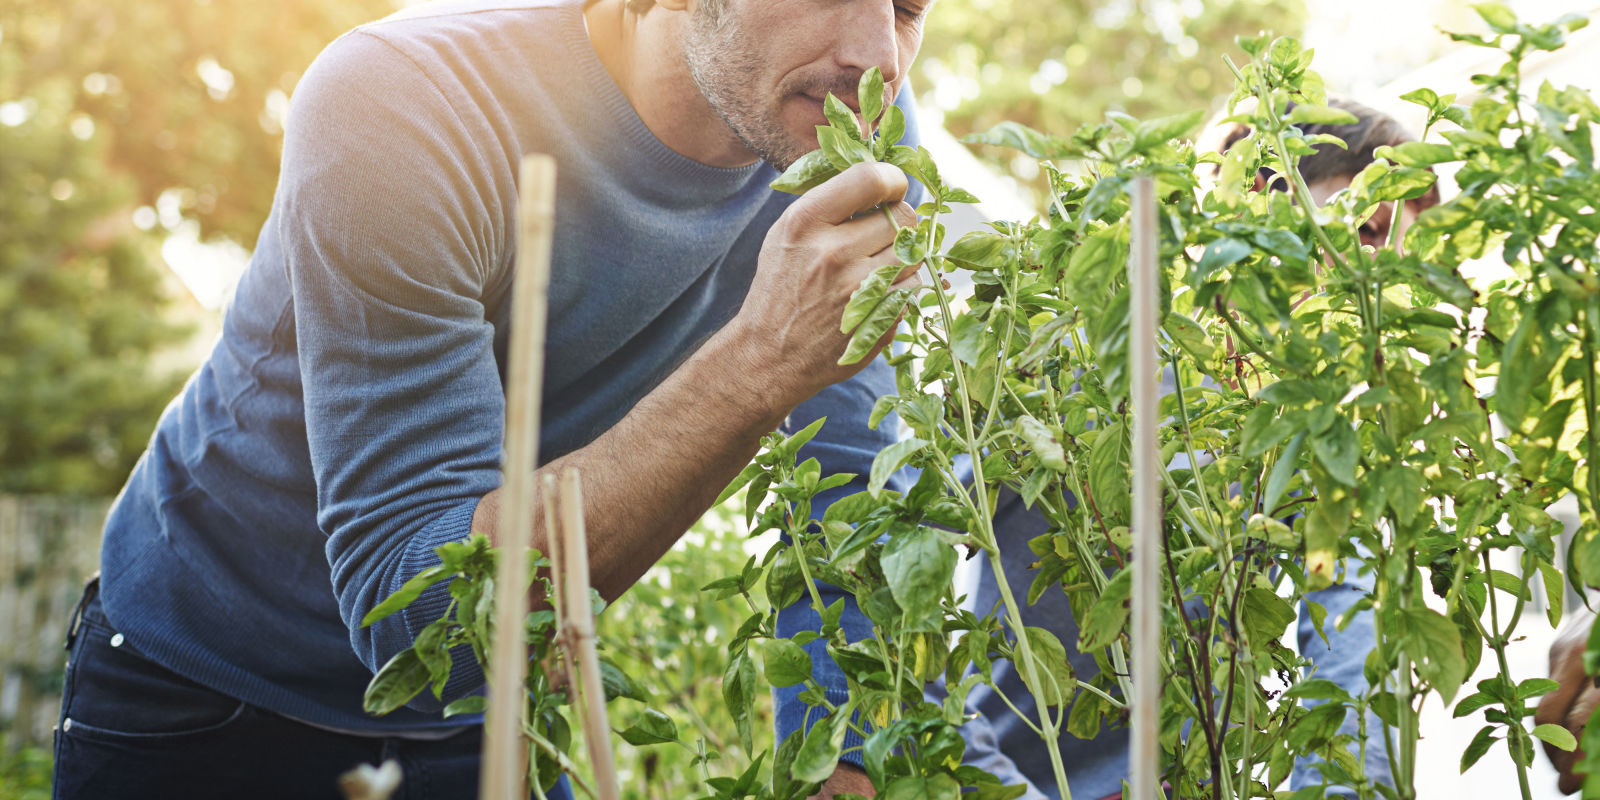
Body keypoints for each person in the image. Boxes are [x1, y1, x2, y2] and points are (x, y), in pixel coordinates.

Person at [52, 1, 934, 798]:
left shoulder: (853, 135)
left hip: (496, 710)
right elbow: (424, 613)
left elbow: (848, 487)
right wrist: (760, 363)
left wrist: (844, 760)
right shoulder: (408, 100)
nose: (876, 55)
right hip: (208, 693)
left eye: (905, 7)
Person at [788, 98, 1439, 800]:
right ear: (1256, 197)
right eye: (1368, 229)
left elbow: (1349, 632)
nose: (1384, 274)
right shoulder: (1077, 364)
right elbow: (900, 585)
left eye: (1412, 249)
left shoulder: (1317, 428)